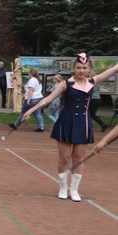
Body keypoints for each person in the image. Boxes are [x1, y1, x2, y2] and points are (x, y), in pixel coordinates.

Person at [22, 53, 118, 202]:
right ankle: (63, 186)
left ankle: (74, 189)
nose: (81, 70)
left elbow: (113, 69)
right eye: (78, 67)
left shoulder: (93, 82)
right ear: (74, 68)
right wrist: (31, 110)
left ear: (89, 69)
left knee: (78, 157)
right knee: (64, 158)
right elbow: (48, 99)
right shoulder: (66, 84)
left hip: (83, 123)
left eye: (84, 68)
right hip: (66, 121)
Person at [9, 68, 45, 133]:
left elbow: (31, 90)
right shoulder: (38, 80)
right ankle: (41, 126)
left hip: (32, 98)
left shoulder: (32, 80)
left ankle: (16, 125)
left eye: (29, 73)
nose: (28, 74)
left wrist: (28, 100)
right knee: (37, 113)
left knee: (23, 112)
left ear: (31, 73)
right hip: (39, 98)